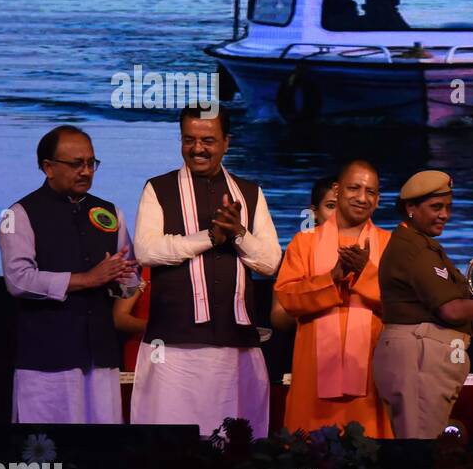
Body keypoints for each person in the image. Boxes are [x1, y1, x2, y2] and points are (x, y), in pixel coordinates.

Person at [131, 107, 282, 437]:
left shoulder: (251, 193)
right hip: (173, 347)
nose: (197, 148)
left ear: (227, 143)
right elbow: (146, 250)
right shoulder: (158, 188)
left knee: (234, 448)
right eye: (189, 140)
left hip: (235, 346)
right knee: (170, 446)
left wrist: (239, 233)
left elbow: (270, 262)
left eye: (208, 141)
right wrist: (210, 238)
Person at [0, 125, 139, 424]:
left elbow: (131, 278)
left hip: (100, 357)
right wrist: (88, 279)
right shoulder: (20, 214)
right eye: (76, 164)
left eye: (91, 163)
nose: (86, 171)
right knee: (48, 453)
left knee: (102, 453)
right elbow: (18, 279)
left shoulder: (111, 212)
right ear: (48, 167)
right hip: (47, 359)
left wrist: (123, 279)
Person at [374, 171, 473, 438]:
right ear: (410, 208)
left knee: (421, 446)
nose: (445, 215)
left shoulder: (418, 245)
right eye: (436, 207)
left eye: (448, 207)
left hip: (420, 354)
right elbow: (450, 310)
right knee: (419, 450)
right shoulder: (413, 249)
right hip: (417, 357)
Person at [275, 160, 393, 438]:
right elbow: (288, 299)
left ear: (378, 200)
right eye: (354, 188)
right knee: (310, 455)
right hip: (313, 378)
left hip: (372, 379)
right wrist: (332, 278)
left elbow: (406, 307)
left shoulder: (391, 244)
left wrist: (366, 274)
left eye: (371, 192)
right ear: (338, 191)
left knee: (370, 462)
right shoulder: (304, 243)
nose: (362, 197)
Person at [270, 176, 338, 332]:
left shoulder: (372, 244)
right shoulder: (300, 247)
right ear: (314, 211)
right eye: (331, 206)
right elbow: (278, 316)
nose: (338, 214)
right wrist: (315, 304)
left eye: (344, 206)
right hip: (313, 343)